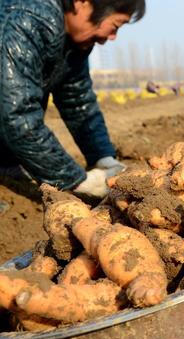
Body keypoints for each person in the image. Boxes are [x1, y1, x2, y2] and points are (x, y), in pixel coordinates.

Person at [0, 0, 146, 198]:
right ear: (81, 3)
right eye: (115, 26)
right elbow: (15, 114)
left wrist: (102, 156)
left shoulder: (75, 42)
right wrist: (77, 180)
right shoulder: (25, 19)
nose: (111, 37)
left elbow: (78, 101)